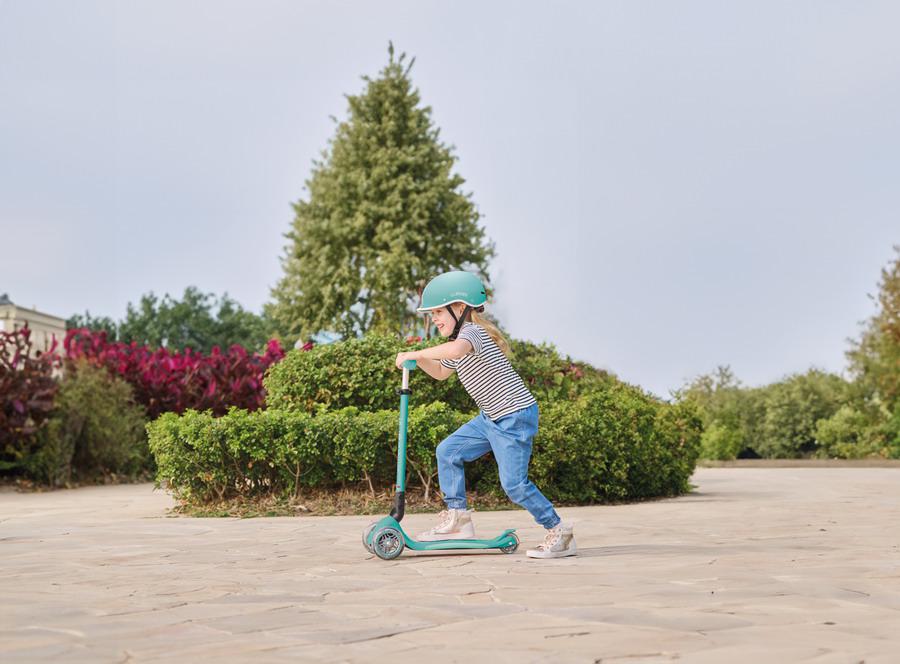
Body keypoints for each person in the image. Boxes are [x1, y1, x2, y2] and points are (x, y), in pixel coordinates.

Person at [394, 271, 576, 559]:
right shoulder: (458, 339)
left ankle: (560, 531)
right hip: (490, 418)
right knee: (448, 451)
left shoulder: (471, 333)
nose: (434, 319)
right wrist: (417, 359)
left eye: (439, 312)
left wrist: (417, 352)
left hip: (514, 416)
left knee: (514, 485)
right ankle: (459, 519)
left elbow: (455, 349)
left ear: (460, 307)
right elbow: (441, 372)